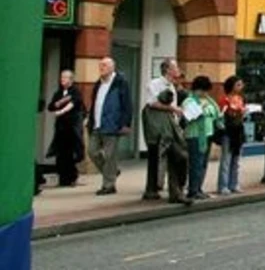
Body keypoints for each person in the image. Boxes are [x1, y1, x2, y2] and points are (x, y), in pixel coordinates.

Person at [88, 56, 132, 195]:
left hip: (112, 124)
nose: (102, 68)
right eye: (100, 66)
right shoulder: (98, 84)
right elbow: (94, 103)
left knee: (110, 156)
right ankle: (112, 172)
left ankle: (109, 185)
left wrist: (125, 123)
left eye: (105, 66)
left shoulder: (120, 82)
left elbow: (127, 104)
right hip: (97, 123)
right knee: (92, 151)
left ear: (113, 67)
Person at [142, 58, 183, 201]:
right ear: (168, 70)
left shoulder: (172, 87)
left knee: (176, 158)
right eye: (176, 67)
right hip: (157, 128)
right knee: (156, 158)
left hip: (169, 128)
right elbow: (152, 103)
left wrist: (176, 122)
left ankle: (174, 191)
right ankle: (152, 189)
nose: (178, 70)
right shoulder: (154, 84)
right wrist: (172, 109)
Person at [182, 75, 219, 200]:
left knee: (203, 163)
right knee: (195, 163)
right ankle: (193, 190)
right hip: (194, 135)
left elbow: (215, 113)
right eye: (202, 91)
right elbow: (189, 116)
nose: (204, 93)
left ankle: (199, 188)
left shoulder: (209, 101)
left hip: (207, 135)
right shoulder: (189, 101)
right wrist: (200, 109)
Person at [47, 70, 84, 187]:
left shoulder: (75, 91)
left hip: (72, 126)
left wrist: (62, 111)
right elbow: (51, 106)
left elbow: (73, 103)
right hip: (61, 127)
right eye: (61, 77)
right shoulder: (58, 93)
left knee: (70, 152)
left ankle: (71, 176)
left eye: (65, 77)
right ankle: (62, 177)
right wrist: (56, 106)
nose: (62, 79)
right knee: (60, 153)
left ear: (71, 80)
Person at [217, 76, 246, 194]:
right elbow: (221, 115)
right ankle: (223, 185)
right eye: (238, 84)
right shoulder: (225, 100)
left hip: (238, 130)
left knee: (236, 158)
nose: (240, 87)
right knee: (226, 159)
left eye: (241, 85)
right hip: (228, 131)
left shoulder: (240, 98)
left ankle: (234, 183)